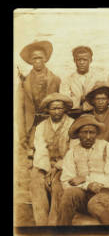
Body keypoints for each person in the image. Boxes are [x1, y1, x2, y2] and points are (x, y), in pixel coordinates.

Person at [57, 114, 109, 225]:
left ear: (96, 134)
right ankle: (60, 233)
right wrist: (87, 185)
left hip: (106, 193)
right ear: (78, 134)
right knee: (69, 194)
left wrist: (85, 178)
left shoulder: (107, 148)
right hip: (82, 195)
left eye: (92, 132)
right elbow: (67, 182)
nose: (88, 136)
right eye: (84, 132)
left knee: (95, 204)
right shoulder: (71, 152)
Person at [30, 93, 75, 226]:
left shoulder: (72, 124)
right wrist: (47, 168)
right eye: (53, 108)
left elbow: (73, 151)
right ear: (48, 110)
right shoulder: (41, 127)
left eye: (60, 108)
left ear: (65, 109)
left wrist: (58, 166)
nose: (56, 111)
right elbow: (40, 150)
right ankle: (41, 225)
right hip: (46, 164)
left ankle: (54, 224)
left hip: (65, 164)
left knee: (57, 185)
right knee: (36, 182)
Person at [17, 40, 61, 156]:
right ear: (30, 61)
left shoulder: (55, 80)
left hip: (50, 123)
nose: (37, 61)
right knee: (33, 155)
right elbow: (19, 112)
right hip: (32, 125)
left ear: (45, 59)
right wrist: (22, 137)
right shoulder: (24, 82)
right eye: (34, 58)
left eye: (40, 58)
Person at [59, 46, 104, 117]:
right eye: (79, 60)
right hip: (73, 115)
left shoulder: (98, 79)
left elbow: (101, 101)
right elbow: (66, 102)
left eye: (85, 60)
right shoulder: (67, 80)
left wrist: (76, 99)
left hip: (94, 114)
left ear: (90, 60)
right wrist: (82, 98)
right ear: (74, 60)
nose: (82, 62)